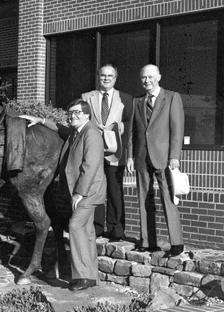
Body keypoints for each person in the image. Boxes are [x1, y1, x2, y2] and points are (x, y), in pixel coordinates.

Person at [20, 99, 106, 291]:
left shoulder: (91, 134)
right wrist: (40, 120)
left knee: (75, 227)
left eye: (76, 113)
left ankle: (83, 276)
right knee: (87, 232)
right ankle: (91, 276)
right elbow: (60, 128)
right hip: (83, 191)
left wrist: (79, 193)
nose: (72, 116)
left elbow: (90, 166)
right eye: (70, 113)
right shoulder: (77, 132)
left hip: (88, 191)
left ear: (86, 114)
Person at [126, 64, 185, 256]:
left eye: (151, 77)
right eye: (144, 78)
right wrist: (130, 156)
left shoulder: (172, 97)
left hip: (164, 158)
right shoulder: (137, 101)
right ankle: (147, 241)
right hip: (142, 157)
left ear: (158, 77)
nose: (147, 81)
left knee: (168, 198)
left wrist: (174, 156)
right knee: (144, 199)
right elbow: (132, 132)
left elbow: (177, 129)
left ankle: (176, 243)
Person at [81, 64, 133, 241]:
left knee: (114, 189)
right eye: (103, 75)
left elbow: (130, 124)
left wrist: (119, 128)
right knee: (95, 188)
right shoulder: (87, 97)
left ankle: (116, 229)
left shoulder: (125, 98)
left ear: (115, 78)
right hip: (93, 149)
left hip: (115, 148)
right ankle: (96, 227)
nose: (106, 79)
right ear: (98, 77)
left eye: (110, 76)